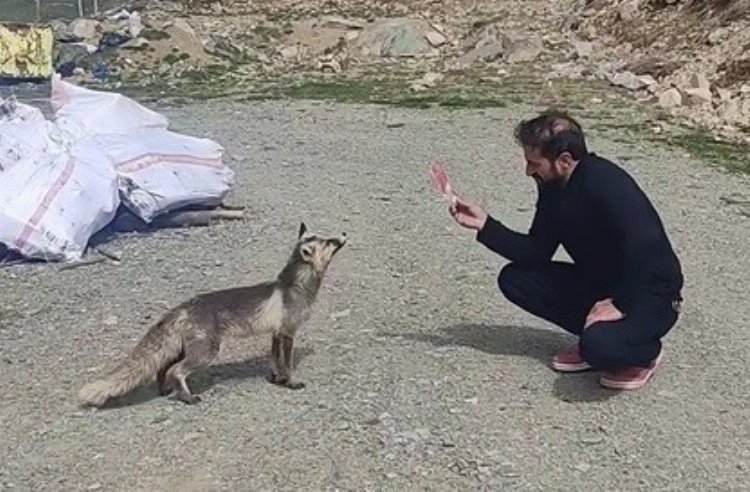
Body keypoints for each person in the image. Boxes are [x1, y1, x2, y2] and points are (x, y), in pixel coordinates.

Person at [447, 110, 684, 390]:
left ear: (564, 160)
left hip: (651, 293)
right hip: (601, 286)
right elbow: (537, 251)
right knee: (515, 279)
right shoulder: (553, 187)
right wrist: (485, 225)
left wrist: (621, 303)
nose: (528, 171)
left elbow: (647, 250)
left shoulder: (607, 183)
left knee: (601, 349)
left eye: (534, 163)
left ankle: (646, 353)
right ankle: (597, 335)